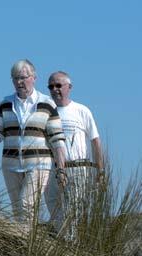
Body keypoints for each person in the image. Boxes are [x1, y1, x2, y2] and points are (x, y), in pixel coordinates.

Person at [0, 59, 67, 222]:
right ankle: (24, 244)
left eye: (23, 77)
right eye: (15, 78)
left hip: (39, 164)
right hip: (11, 165)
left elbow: (57, 138)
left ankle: (26, 243)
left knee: (26, 205)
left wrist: (61, 168)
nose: (19, 82)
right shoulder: (5, 104)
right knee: (17, 208)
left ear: (34, 78)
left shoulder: (46, 104)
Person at [44, 71, 105, 233]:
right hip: (52, 168)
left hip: (77, 168)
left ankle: (73, 244)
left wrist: (100, 170)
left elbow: (95, 141)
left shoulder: (81, 110)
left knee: (74, 211)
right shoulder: (45, 111)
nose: (55, 89)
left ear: (69, 87)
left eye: (58, 85)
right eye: (51, 86)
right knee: (54, 208)